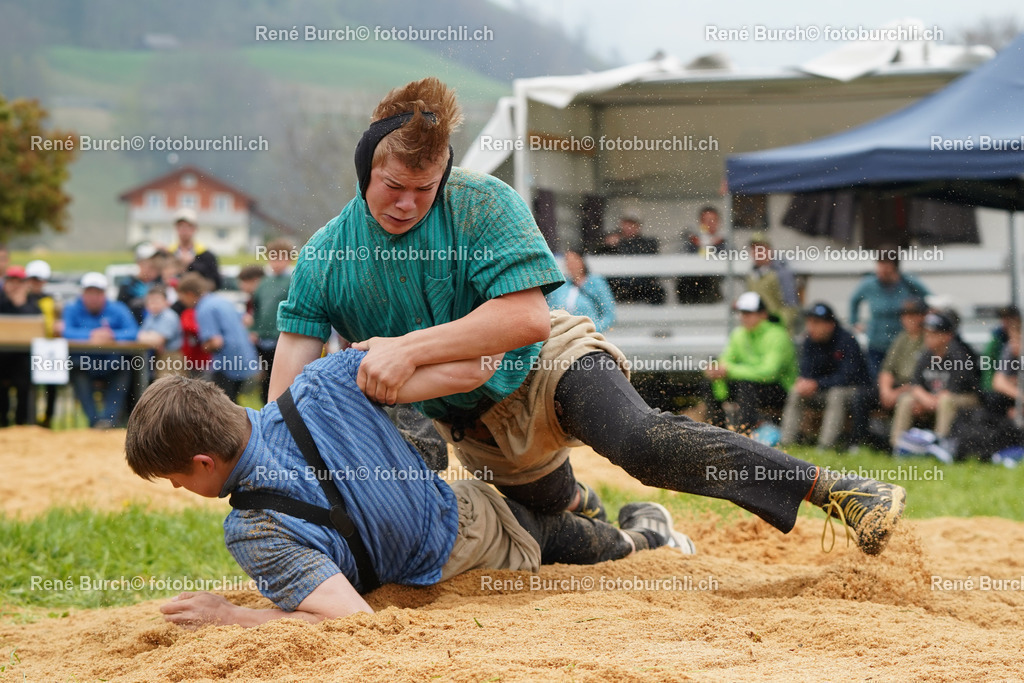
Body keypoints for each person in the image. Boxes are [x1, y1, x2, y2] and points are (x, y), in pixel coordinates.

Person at [270, 77, 905, 557]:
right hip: (476, 415)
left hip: (549, 362)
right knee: (545, 525)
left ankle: (836, 490)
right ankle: (641, 537)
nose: (408, 203)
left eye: (424, 186)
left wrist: (406, 350)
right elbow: (290, 378)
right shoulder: (328, 255)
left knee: (640, 440)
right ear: (364, 170)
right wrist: (268, 459)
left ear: (444, 173)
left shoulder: (482, 201)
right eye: (392, 186)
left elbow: (525, 322)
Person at [125, 349, 694, 627]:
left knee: (592, 546)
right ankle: (582, 500)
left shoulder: (251, 528)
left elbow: (351, 622)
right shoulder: (323, 379)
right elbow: (455, 365)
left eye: (175, 478)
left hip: (472, 541)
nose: (177, 488)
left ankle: (646, 534)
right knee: (537, 504)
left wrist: (230, 617)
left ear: (203, 462)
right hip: (473, 477)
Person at [700, 291, 797, 432]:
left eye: (748, 313)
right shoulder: (738, 334)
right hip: (749, 384)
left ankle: (744, 433)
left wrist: (729, 371)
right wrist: (716, 373)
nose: (744, 317)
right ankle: (717, 431)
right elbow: (724, 361)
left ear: (763, 314)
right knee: (709, 383)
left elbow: (769, 373)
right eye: (742, 313)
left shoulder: (778, 335)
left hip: (779, 388)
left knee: (746, 386)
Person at [780, 302, 870, 450]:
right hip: (822, 389)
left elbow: (848, 377)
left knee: (836, 394)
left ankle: (825, 446)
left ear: (830, 325)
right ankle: (786, 442)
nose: (810, 327)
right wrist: (805, 383)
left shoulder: (847, 340)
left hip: (852, 390)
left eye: (816, 323)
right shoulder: (809, 341)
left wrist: (817, 384)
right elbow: (806, 371)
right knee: (796, 392)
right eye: (809, 322)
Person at [849, 298, 928, 452]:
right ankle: (857, 442)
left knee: (905, 402)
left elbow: (921, 379)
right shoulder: (902, 338)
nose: (908, 319)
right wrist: (886, 391)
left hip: (914, 389)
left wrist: (895, 393)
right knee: (861, 396)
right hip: (896, 386)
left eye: (913, 314)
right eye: (905, 315)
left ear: (923, 316)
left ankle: (895, 446)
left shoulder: (927, 340)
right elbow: (887, 369)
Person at [890, 311, 980, 446]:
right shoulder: (926, 354)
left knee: (945, 401)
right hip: (934, 398)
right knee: (906, 400)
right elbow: (915, 385)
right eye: (926, 333)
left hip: (965, 398)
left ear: (947, 335)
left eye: (933, 333)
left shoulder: (960, 355)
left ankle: (940, 445)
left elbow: (953, 390)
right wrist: (925, 400)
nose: (928, 337)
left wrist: (929, 402)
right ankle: (898, 445)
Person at [63, 272, 139, 428]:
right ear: (82, 293)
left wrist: (112, 335)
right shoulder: (71, 308)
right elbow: (66, 331)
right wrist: (90, 334)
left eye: (97, 292)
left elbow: (133, 331)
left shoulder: (118, 308)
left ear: (104, 294)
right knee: (77, 371)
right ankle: (95, 421)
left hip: (111, 363)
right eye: (89, 292)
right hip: (83, 364)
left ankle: (107, 420)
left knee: (125, 368)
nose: (93, 297)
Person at [175, 273, 258, 401]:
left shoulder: (203, 309)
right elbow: (247, 320)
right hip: (245, 358)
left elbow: (216, 342)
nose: (182, 302)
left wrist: (202, 346)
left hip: (227, 364)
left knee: (223, 408)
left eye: (182, 298)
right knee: (234, 404)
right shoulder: (220, 300)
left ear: (190, 294)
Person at [849, 249, 929, 380]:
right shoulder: (869, 284)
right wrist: (855, 322)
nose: (882, 273)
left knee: (903, 378)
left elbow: (929, 299)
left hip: (901, 342)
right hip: (877, 342)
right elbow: (854, 300)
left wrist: (919, 318)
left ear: (895, 269)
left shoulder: (908, 283)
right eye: (880, 267)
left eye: (887, 269)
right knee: (877, 382)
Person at [250, 240, 294, 403]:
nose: (276, 263)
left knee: (284, 380)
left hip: (283, 337)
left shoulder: (293, 280)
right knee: (265, 380)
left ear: (288, 259)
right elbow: (256, 308)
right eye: (272, 258)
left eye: (280, 258)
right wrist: (253, 329)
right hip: (263, 340)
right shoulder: (264, 283)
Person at [0, 266, 41, 427]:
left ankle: (21, 422)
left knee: (24, 385)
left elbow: (37, 325)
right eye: (11, 282)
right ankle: (3, 421)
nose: (15, 286)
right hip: (2, 356)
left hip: (23, 357)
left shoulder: (32, 304)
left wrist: (21, 304)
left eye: (19, 282)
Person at [598, 214, 665, 305]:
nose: (629, 227)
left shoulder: (647, 243)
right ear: (621, 225)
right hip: (620, 283)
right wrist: (608, 245)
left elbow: (650, 255)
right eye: (626, 224)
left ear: (638, 226)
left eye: (632, 224)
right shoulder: (611, 241)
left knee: (658, 291)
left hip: (642, 283)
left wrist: (621, 243)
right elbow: (598, 256)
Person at [25, 259, 60, 427]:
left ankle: (47, 419)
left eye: (39, 280)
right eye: (33, 279)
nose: (36, 283)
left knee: (51, 384)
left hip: (47, 348)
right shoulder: (23, 299)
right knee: (27, 384)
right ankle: (28, 419)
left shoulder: (50, 300)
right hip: (26, 349)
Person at [545, 249, 616, 333]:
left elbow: (609, 315)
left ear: (582, 261)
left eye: (574, 261)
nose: (571, 265)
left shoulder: (596, 282)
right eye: (568, 261)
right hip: (562, 334)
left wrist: (593, 330)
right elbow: (551, 311)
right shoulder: (561, 285)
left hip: (588, 335)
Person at [746, 233, 799, 334]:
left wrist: (776, 323)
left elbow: (791, 307)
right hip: (757, 332)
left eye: (760, 249)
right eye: (754, 249)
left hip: (777, 331)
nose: (757, 253)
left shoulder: (782, 273)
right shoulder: (752, 275)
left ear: (769, 250)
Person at [677, 206, 728, 304]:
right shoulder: (691, 242)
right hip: (692, 281)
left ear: (718, 222)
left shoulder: (724, 242)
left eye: (713, 220)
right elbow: (681, 259)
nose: (709, 223)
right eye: (706, 220)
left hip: (713, 280)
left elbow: (733, 259)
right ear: (700, 222)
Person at [136, 285, 184, 379]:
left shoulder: (169, 316)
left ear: (166, 302)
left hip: (171, 358)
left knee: (170, 387)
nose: (153, 304)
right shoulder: (151, 316)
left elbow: (157, 341)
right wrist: (149, 337)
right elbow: (140, 336)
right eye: (150, 301)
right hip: (158, 357)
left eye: (157, 301)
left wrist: (148, 337)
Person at [168, 208, 222, 290]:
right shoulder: (168, 253)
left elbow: (216, 283)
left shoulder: (207, 255)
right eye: (181, 226)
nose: (184, 230)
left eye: (188, 226)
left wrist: (191, 264)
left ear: (195, 229)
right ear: (176, 228)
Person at [981, 305, 1020, 392]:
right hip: (996, 388)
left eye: (1009, 318)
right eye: (1004, 318)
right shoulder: (996, 341)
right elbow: (989, 374)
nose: (1006, 321)